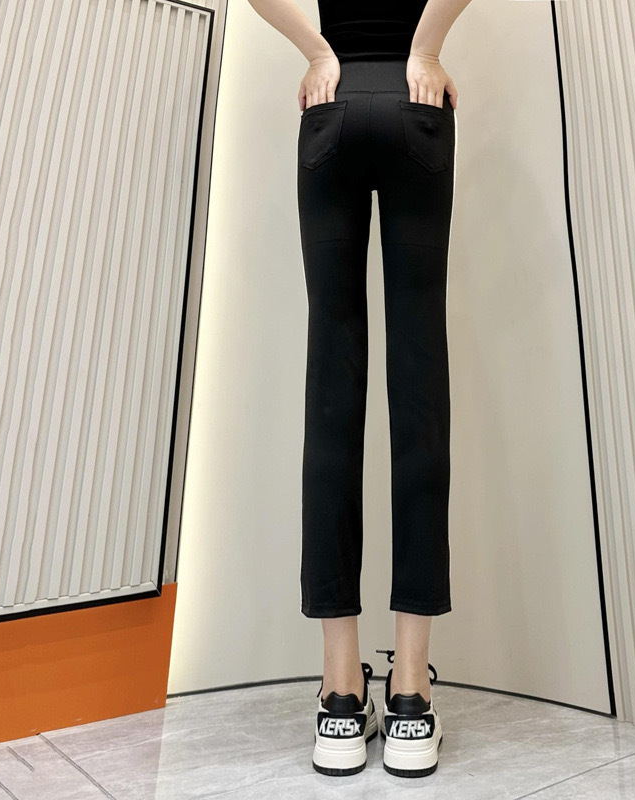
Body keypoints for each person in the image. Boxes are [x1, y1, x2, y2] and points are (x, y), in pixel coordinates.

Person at [246, 0, 473, 778]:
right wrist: (426, 48)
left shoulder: (326, 75)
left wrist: (318, 53)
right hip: (415, 107)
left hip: (332, 106)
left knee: (331, 394)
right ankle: (410, 697)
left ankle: (342, 697)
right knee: (420, 388)